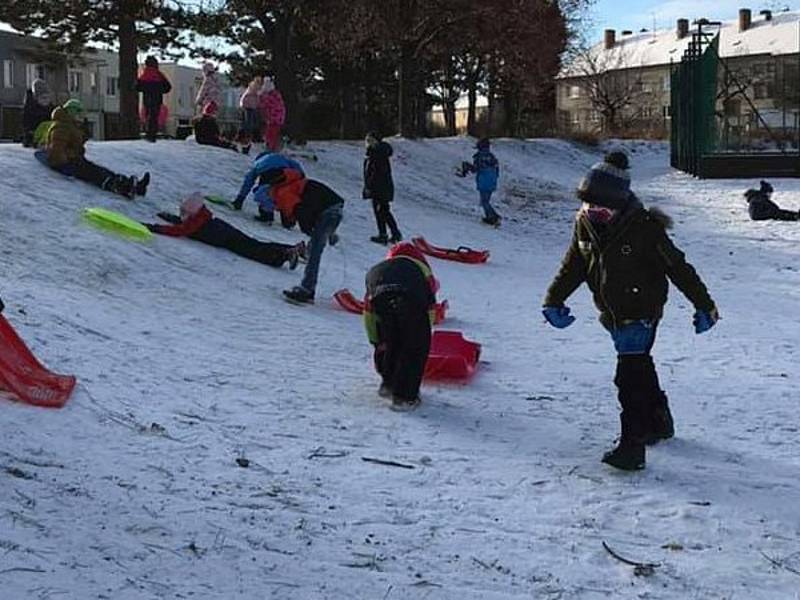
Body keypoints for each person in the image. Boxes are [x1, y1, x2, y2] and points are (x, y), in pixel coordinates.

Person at [542, 151, 718, 472]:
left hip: (641, 311)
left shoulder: (644, 228)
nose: (595, 213)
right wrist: (554, 299)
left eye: (603, 208)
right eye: (589, 206)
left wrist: (705, 305)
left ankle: (632, 446)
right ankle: (658, 421)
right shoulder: (584, 223)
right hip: (612, 313)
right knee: (640, 367)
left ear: (620, 204)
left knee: (628, 378)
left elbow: (678, 268)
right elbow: (574, 265)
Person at [364, 242, 439, 411]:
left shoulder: (378, 269)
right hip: (410, 299)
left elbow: (368, 312)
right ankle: (405, 397)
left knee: (392, 340)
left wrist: (376, 340)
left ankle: (388, 385)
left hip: (381, 296)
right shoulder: (422, 270)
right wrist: (425, 332)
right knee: (415, 347)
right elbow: (431, 307)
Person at [142, 194, 305, 269]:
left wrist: (154, 227)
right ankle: (290, 249)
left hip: (226, 238)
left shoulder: (194, 223)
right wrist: (168, 217)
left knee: (253, 250)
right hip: (224, 231)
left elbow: (179, 230)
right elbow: (183, 224)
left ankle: (284, 254)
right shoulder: (201, 217)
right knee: (254, 244)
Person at [257, 167, 344, 304]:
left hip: (328, 211)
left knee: (315, 250)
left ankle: (307, 290)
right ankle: (329, 235)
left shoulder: (282, 193)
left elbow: (302, 213)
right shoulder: (289, 186)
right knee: (314, 244)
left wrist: (310, 231)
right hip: (332, 207)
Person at [39, 99, 149, 199]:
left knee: (102, 170)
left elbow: (76, 143)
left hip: (74, 160)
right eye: (79, 114)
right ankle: (121, 187)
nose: (81, 117)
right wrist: (67, 164)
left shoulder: (70, 126)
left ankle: (135, 186)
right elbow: (57, 150)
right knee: (95, 173)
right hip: (66, 163)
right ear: (72, 113)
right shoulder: (61, 127)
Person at [232, 151, 305, 223]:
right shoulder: (281, 157)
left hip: (270, 174)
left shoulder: (259, 163)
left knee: (262, 193)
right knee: (283, 195)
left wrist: (240, 198)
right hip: (289, 174)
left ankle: (267, 214)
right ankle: (288, 219)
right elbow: (297, 167)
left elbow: (248, 181)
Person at [363, 131, 402, 244]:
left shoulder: (378, 153)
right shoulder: (373, 153)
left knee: (383, 211)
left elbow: (376, 173)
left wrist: (370, 186)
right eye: (367, 141)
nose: (368, 143)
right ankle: (385, 233)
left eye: (370, 140)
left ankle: (392, 233)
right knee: (380, 211)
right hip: (378, 187)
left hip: (380, 188)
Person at [459, 137, 501, 226]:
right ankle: (493, 215)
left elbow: (475, 169)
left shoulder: (479, 157)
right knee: (486, 200)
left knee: (484, 201)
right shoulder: (492, 156)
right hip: (492, 181)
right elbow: (497, 169)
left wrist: (467, 166)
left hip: (484, 181)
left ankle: (492, 218)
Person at [136, 56, 172, 142]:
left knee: (148, 114)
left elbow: (138, 87)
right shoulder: (159, 74)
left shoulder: (144, 74)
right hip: (157, 98)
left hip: (147, 98)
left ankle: (148, 132)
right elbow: (168, 87)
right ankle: (152, 134)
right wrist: (159, 90)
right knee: (154, 116)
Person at [22, 78, 54, 147]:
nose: (46, 100)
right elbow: (26, 123)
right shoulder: (30, 110)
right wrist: (30, 134)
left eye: (47, 97)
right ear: (36, 98)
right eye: (43, 98)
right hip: (34, 138)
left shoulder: (52, 110)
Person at [259, 76, 286, 152]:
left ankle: (271, 147)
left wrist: (261, 97)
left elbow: (265, 104)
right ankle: (271, 146)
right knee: (271, 133)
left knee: (271, 133)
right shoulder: (275, 95)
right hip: (276, 118)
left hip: (274, 118)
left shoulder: (270, 96)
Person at [238, 76, 263, 155]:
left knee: (249, 123)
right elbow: (255, 95)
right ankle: (246, 138)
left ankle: (247, 138)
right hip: (249, 107)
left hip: (251, 106)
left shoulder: (253, 88)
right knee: (248, 123)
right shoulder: (254, 87)